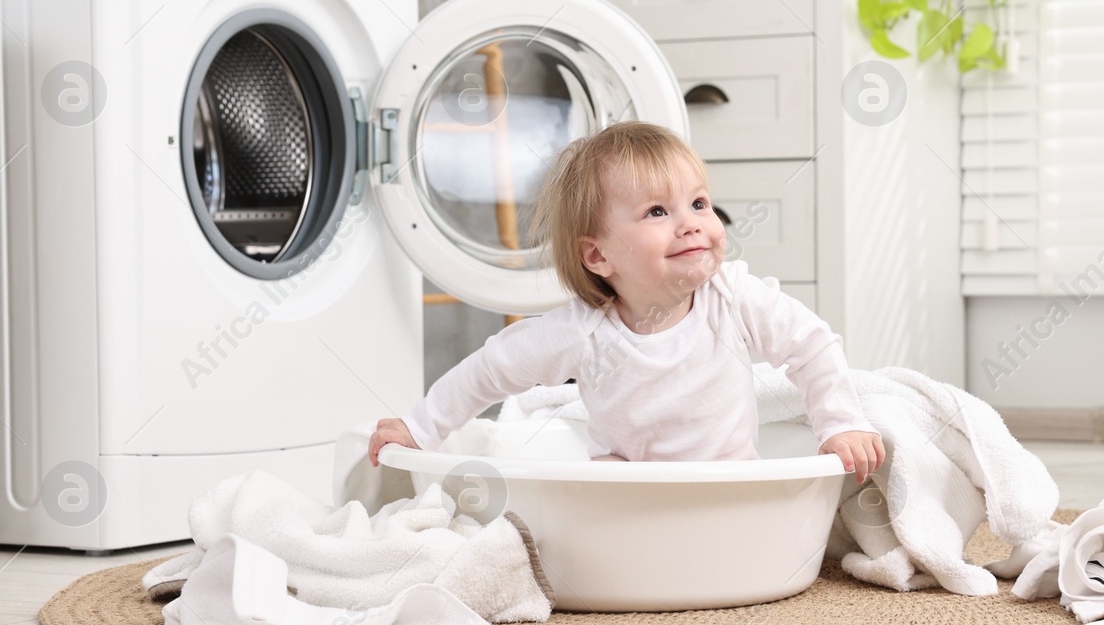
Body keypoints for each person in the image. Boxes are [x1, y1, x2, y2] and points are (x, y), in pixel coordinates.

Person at [368, 121, 886, 481]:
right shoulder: (583, 333)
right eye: (657, 211)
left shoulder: (731, 296)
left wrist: (841, 424)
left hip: (730, 484)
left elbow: (811, 346)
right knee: (603, 484)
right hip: (631, 492)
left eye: (699, 203)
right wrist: (419, 427)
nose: (691, 222)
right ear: (597, 256)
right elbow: (491, 370)